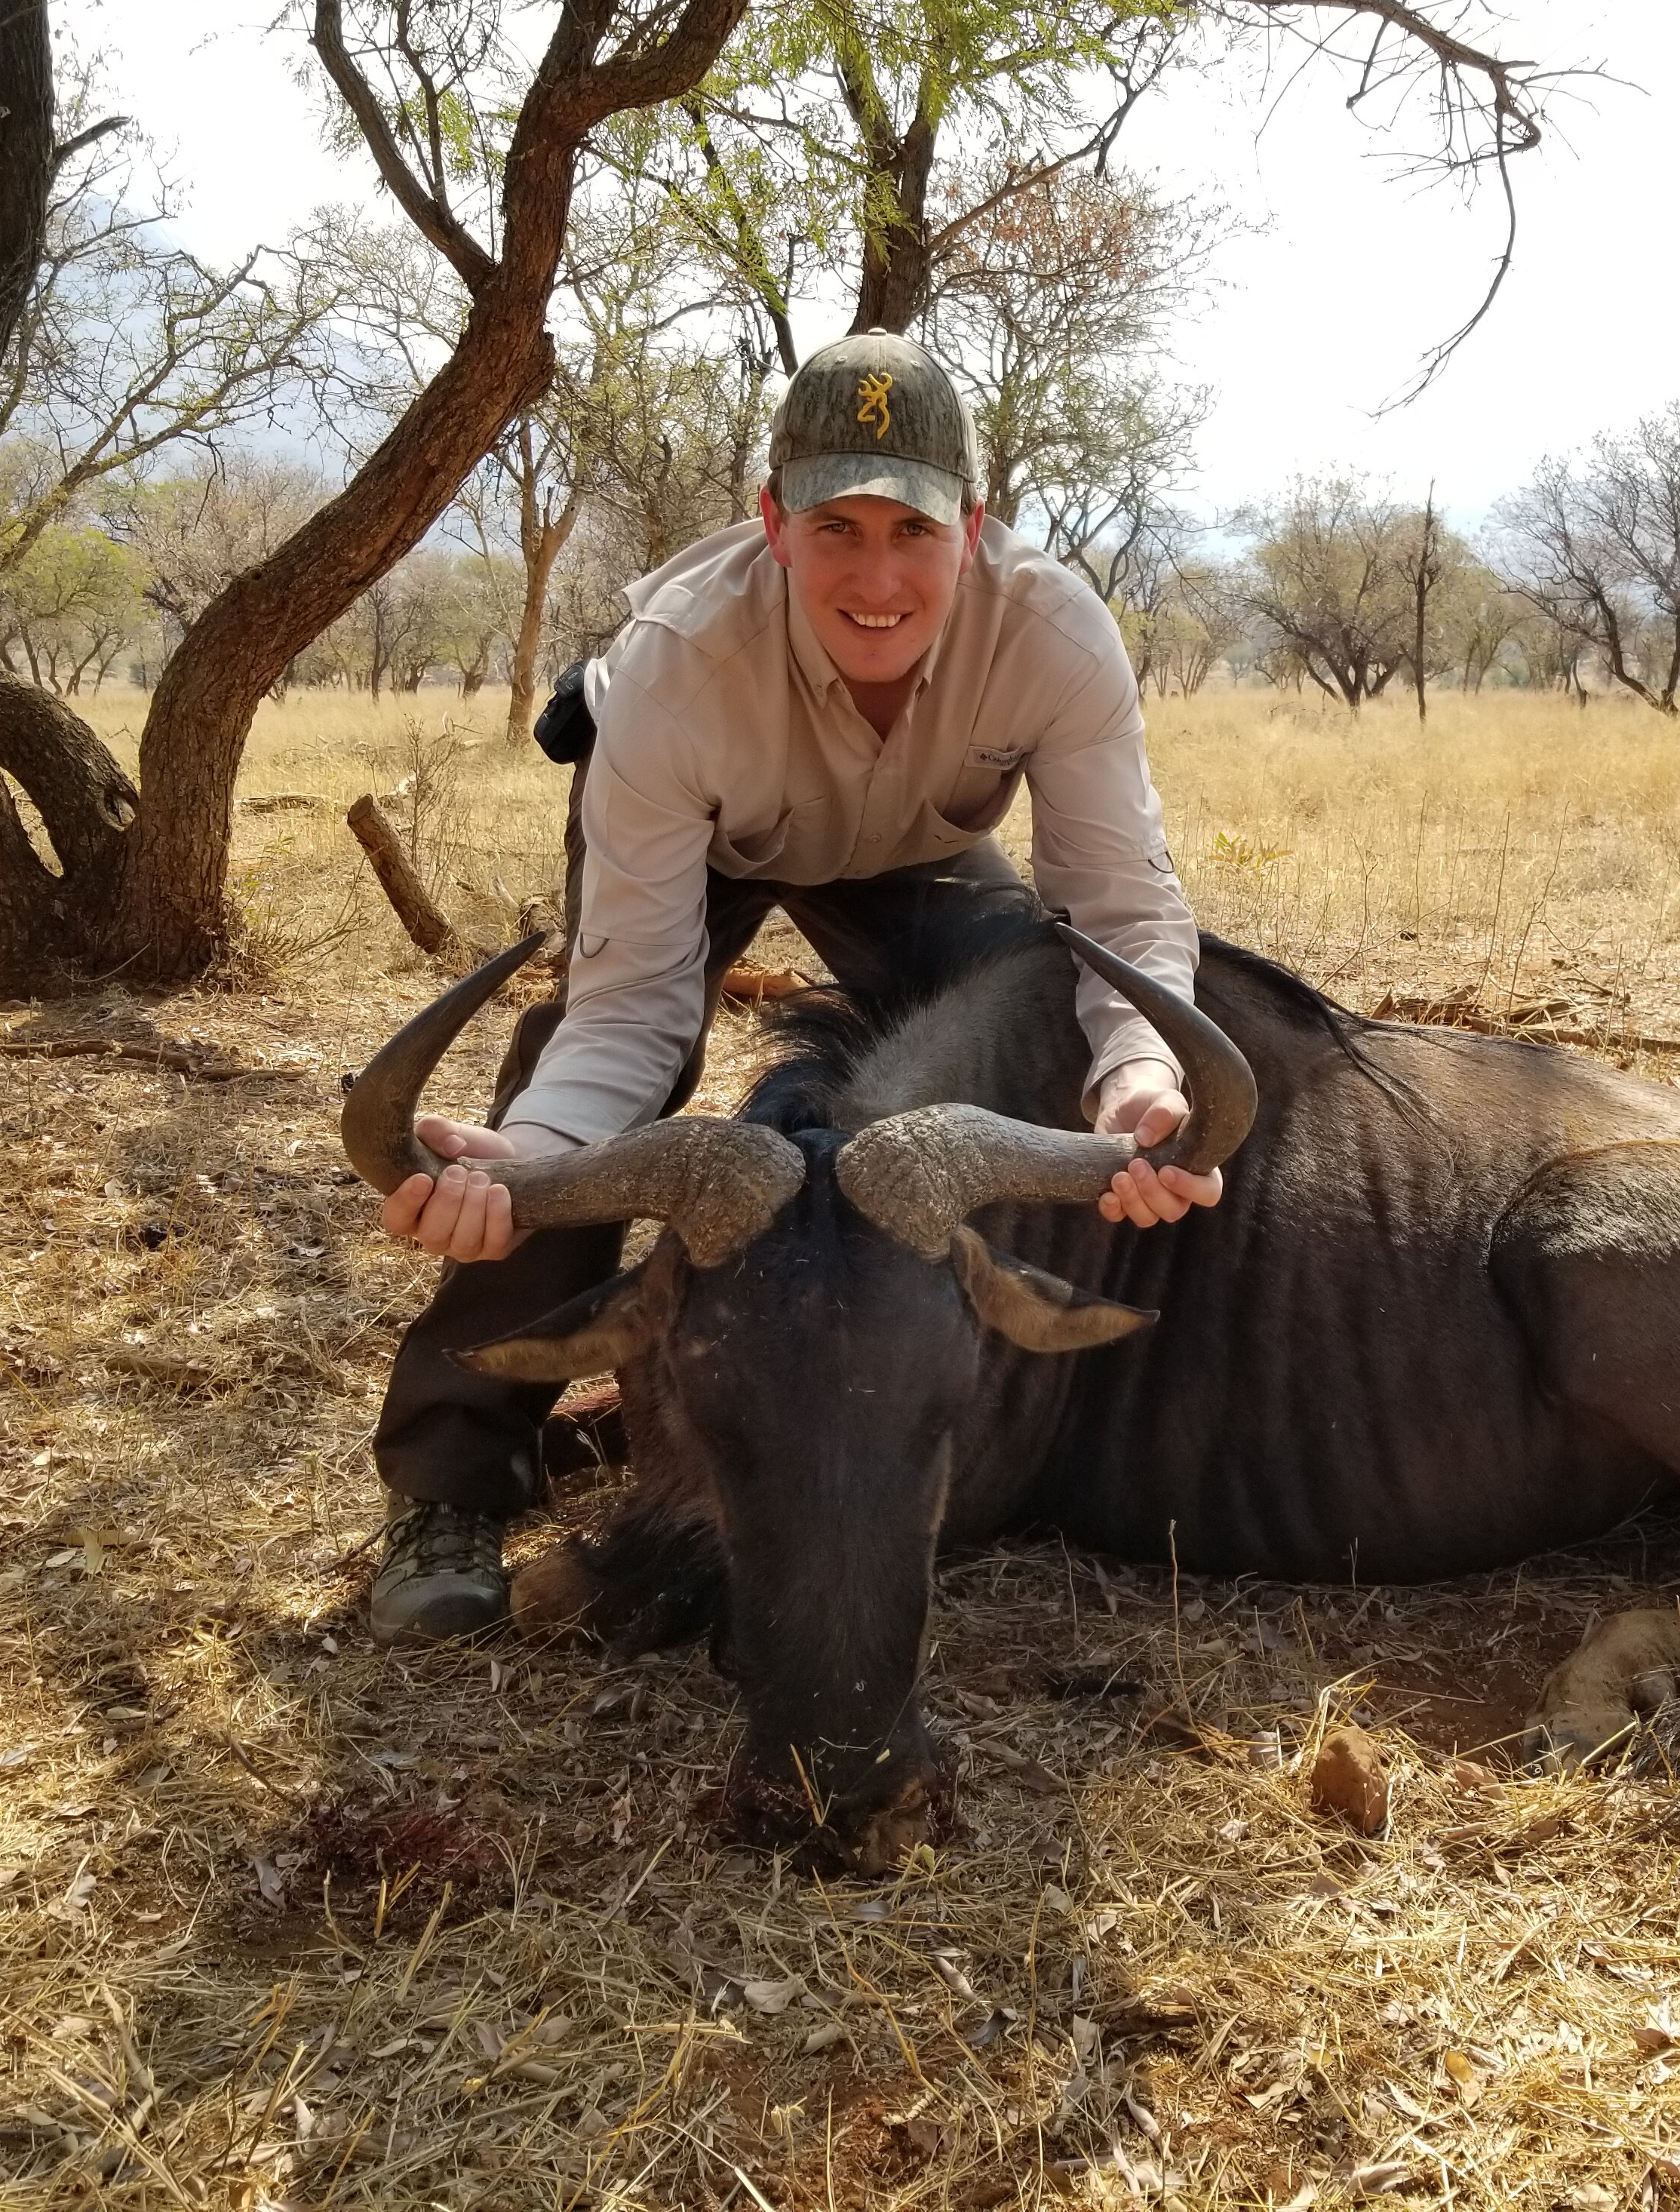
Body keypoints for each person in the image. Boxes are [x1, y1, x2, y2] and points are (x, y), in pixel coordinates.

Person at [362, 332, 1221, 1642]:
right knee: (587, 1092)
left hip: (919, 850)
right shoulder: (673, 665)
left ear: (974, 528)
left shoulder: (1054, 632)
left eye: (913, 531)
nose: (876, 576)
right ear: (770, 521)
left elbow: (1119, 909)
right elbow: (631, 1008)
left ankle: (931, 1393)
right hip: (709, 835)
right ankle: (450, 1472)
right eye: (835, 526)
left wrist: (1139, 1073)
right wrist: (526, 1159)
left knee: (1048, 1027)